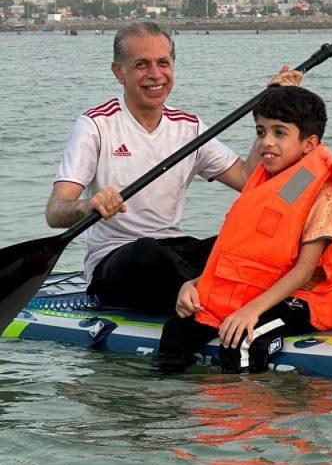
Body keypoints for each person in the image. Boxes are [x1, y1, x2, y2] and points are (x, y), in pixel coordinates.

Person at [45, 21, 301, 313]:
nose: (155, 75)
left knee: (237, 244)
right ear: (119, 72)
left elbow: (248, 179)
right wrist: (87, 206)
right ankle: (214, 297)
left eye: (163, 63)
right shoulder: (95, 126)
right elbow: (55, 212)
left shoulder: (189, 128)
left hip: (173, 249)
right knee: (147, 252)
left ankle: (221, 295)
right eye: (142, 64)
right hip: (114, 261)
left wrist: (271, 108)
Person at [154, 85, 332, 373]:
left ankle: (240, 415)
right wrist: (195, 285)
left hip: (309, 300)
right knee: (177, 329)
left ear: (309, 144)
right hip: (265, 288)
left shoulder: (323, 190)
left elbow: (304, 270)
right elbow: (239, 253)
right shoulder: (265, 179)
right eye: (261, 131)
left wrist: (251, 311)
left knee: (242, 340)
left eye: (279, 132)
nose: (266, 142)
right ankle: (161, 408)